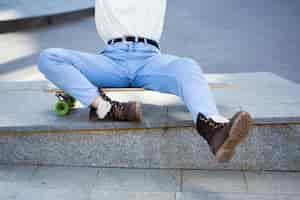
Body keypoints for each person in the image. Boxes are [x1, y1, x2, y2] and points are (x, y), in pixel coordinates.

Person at [38, 0, 252, 162]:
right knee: (49, 57)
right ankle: (104, 107)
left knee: (187, 66)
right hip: (111, 60)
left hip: (150, 60)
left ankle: (214, 130)